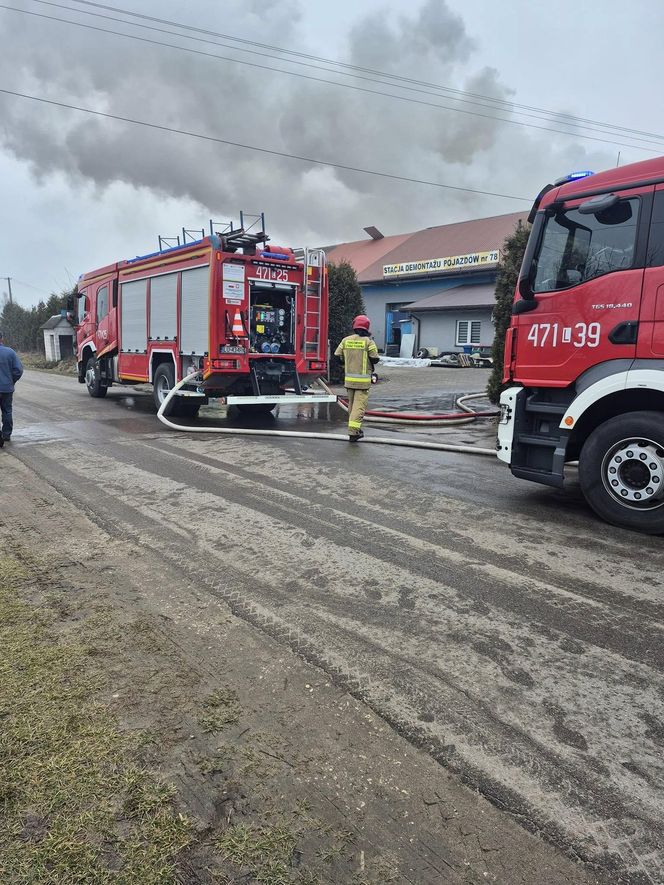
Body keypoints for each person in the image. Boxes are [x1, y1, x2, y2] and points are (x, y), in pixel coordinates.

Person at [334, 314, 379, 442]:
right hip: (363, 383)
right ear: (367, 327)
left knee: (352, 407)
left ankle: (354, 430)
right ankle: (353, 433)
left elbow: (336, 356)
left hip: (349, 381)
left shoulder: (345, 340)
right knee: (359, 408)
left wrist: (346, 364)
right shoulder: (368, 342)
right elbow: (375, 359)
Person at [0, 330, 23, 447]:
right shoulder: (10, 352)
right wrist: (11, 381)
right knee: (7, 411)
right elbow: (18, 370)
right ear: (2, 338)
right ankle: (6, 434)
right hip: (6, 389)